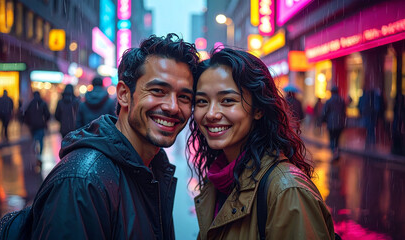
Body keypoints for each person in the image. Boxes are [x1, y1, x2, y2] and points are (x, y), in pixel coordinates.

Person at [25, 33, 199, 239]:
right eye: (158, 90)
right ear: (124, 94)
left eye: (184, 97)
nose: (173, 107)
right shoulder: (82, 183)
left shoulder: (153, 169)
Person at [187, 48, 335, 239]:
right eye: (201, 101)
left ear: (258, 109)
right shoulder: (220, 180)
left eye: (227, 100)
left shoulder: (287, 191)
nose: (211, 113)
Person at [321, 86, 347, 160]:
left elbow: (324, 112)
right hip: (340, 123)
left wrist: (322, 121)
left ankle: (334, 152)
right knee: (337, 139)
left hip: (331, 123)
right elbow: (344, 112)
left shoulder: (329, 101)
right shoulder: (341, 100)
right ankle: (337, 151)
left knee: (332, 138)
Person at [24, 91, 50, 158]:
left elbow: (26, 115)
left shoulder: (31, 104)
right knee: (41, 141)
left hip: (33, 126)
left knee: (34, 140)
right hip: (41, 125)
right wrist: (45, 121)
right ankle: (40, 155)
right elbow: (47, 114)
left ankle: (35, 153)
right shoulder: (43, 103)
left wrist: (29, 123)